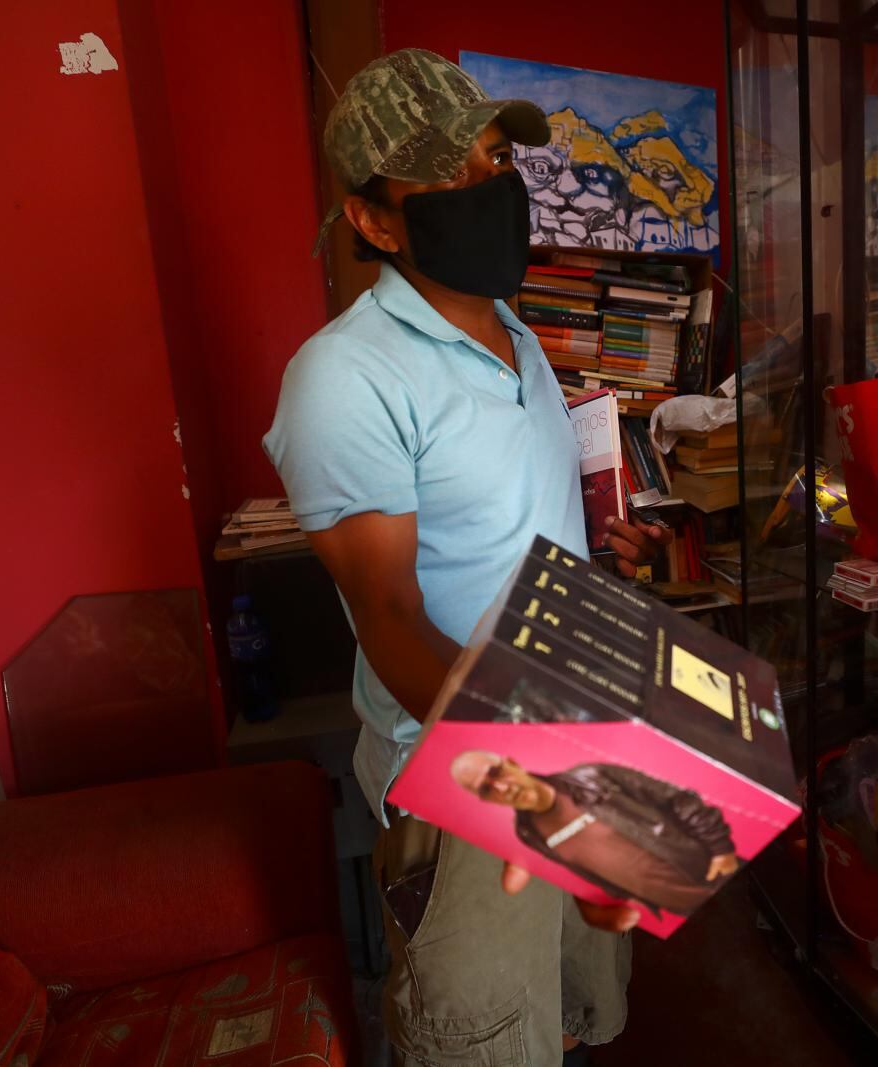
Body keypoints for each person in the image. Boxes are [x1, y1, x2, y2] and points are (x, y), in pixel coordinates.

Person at [263, 49, 669, 1067]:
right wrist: (537, 776)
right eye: (445, 175)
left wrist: (608, 552)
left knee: (577, 1003)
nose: (486, 188)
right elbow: (392, 619)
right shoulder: (342, 379)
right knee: (485, 1037)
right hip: (474, 775)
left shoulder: (516, 337)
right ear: (375, 222)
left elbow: (517, 531)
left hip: (573, 730)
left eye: (492, 158)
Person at [450, 752, 741, 917]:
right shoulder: (527, 833)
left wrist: (720, 846)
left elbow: (674, 797)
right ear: (486, 800)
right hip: (676, 912)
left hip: (715, 875)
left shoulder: (590, 776)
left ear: (512, 762)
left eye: (496, 772)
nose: (500, 787)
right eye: (486, 788)